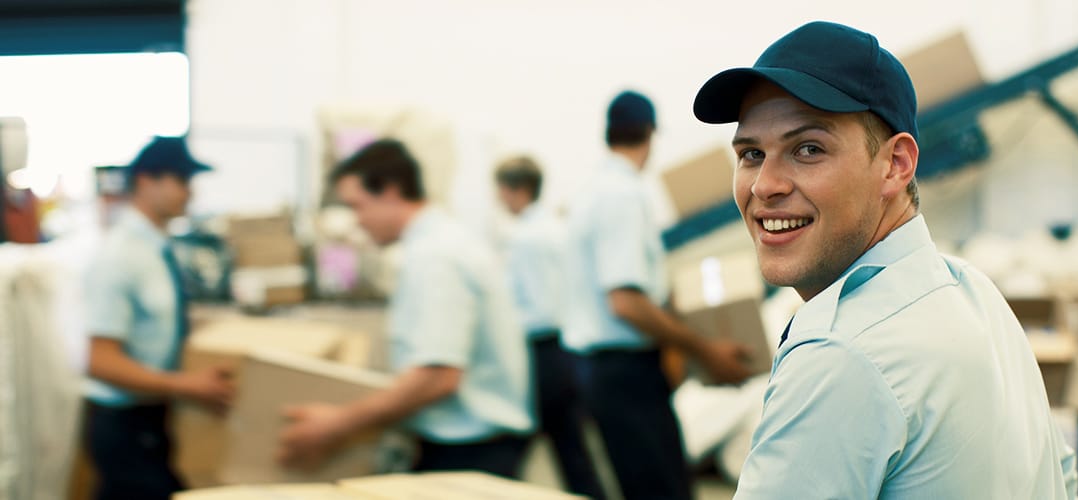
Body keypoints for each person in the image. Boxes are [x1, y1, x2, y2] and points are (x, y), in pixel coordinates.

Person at [692, 21, 1078, 499]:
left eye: (807, 149)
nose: (764, 185)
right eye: (751, 153)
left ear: (896, 164)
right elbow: (1061, 477)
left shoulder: (842, 355)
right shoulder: (975, 295)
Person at [276, 139, 533, 478]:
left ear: (391, 191)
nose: (358, 221)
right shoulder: (437, 244)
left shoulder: (436, 256)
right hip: (469, 444)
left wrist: (336, 425)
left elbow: (438, 377)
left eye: (358, 206)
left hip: (470, 450)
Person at [562, 90, 755, 500]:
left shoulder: (592, 192)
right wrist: (704, 350)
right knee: (664, 490)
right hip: (626, 374)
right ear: (649, 134)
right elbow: (627, 301)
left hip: (603, 371)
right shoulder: (624, 194)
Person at [84, 136, 233, 500]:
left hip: (154, 418)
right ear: (148, 181)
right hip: (125, 424)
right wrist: (186, 385)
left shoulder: (158, 248)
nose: (189, 193)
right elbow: (98, 358)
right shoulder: (121, 256)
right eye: (181, 181)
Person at [494, 156, 607, 499]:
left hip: (545, 352)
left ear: (519, 190)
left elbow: (542, 309)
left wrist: (503, 324)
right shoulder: (557, 229)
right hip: (567, 350)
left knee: (536, 444)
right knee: (572, 449)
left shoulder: (527, 238)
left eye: (500, 191)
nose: (498, 200)